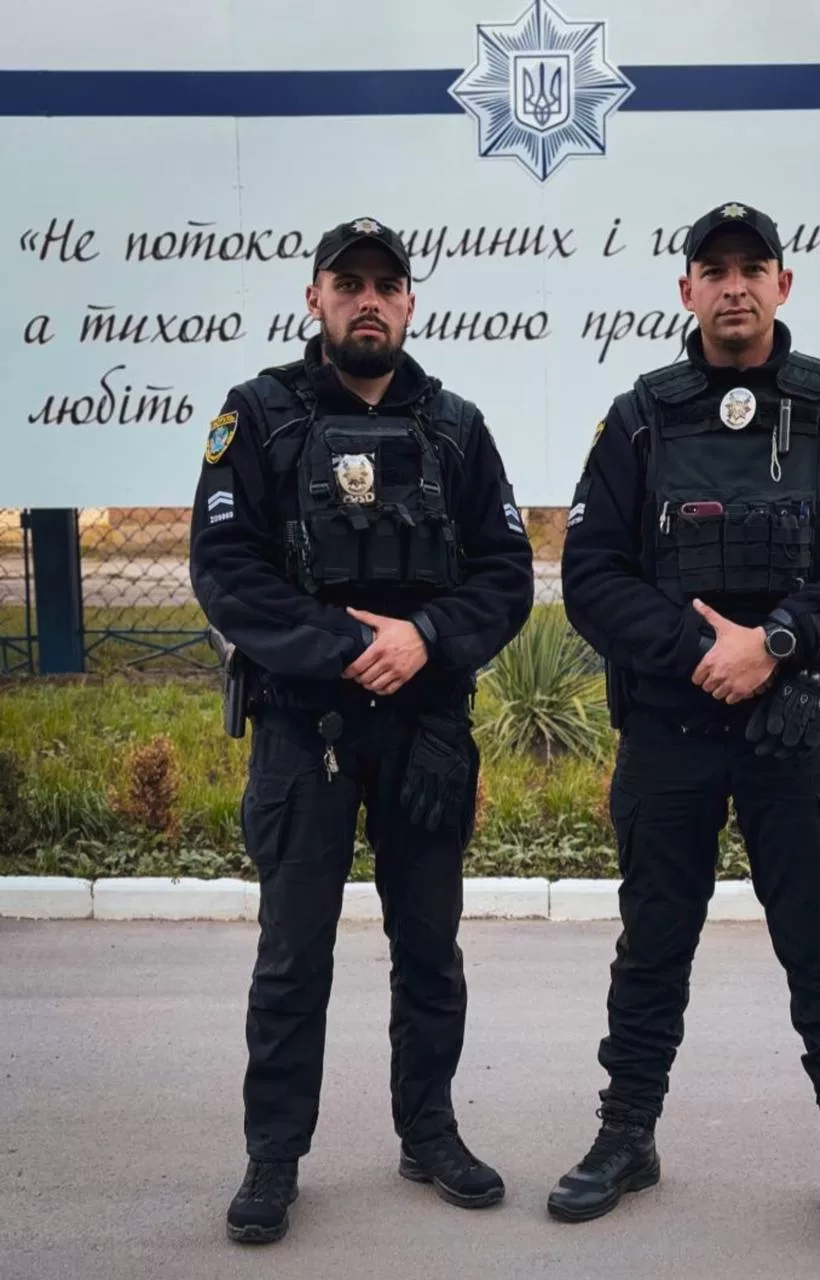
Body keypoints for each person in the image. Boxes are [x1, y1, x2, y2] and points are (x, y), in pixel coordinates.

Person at [551, 201, 820, 1257]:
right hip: (671, 728)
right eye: (713, 270)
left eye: (753, 268)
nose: (734, 286)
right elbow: (591, 575)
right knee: (651, 945)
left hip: (795, 731)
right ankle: (626, 1136)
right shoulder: (640, 416)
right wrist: (701, 651)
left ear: (783, 284)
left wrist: (779, 642)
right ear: (687, 291)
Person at [189, 217, 534, 1244]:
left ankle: (429, 1131)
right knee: (293, 957)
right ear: (316, 300)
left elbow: (506, 576)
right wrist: (349, 644)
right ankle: (272, 1155)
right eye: (349, 284)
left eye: (386, 285)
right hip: (309, 728)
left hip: (425, 729)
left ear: (410, 302)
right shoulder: (258, 415)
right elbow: (227, 573)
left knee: (429, 950)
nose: (368, 300)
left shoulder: (457, 426)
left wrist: (425, 636)